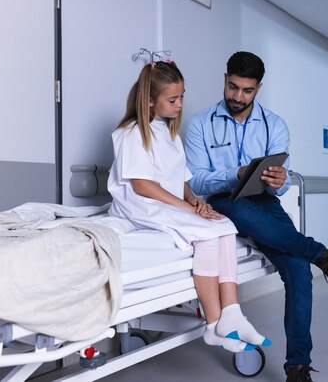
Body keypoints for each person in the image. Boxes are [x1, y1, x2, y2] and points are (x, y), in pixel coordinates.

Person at [184, 51, 328, 381]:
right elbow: (195, 179)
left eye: (247, 90)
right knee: (237, 207)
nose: (238, 97)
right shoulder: (200, 124)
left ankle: (298, 366)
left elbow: (279, 183)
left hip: (264, 203)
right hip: (223, 202)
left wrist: (280, 183)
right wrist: (233, 174)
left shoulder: (274, 125)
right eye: (232, 87)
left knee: (298, 273)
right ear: (224, 80)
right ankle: (322, 255)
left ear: (259, 88)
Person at [107, 60, 270, 354]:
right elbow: (142, 186)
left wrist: (194, 200)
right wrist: (186, 209)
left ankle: (232, 311)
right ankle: (214, 322)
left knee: (224, 225)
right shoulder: (132, 133)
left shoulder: (170, 134)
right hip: (140, 204)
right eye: (173, 99)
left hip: (165, 201)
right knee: (207, 234)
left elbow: (180, 179)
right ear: (149, 101)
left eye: (182, 97)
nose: (180, 104)